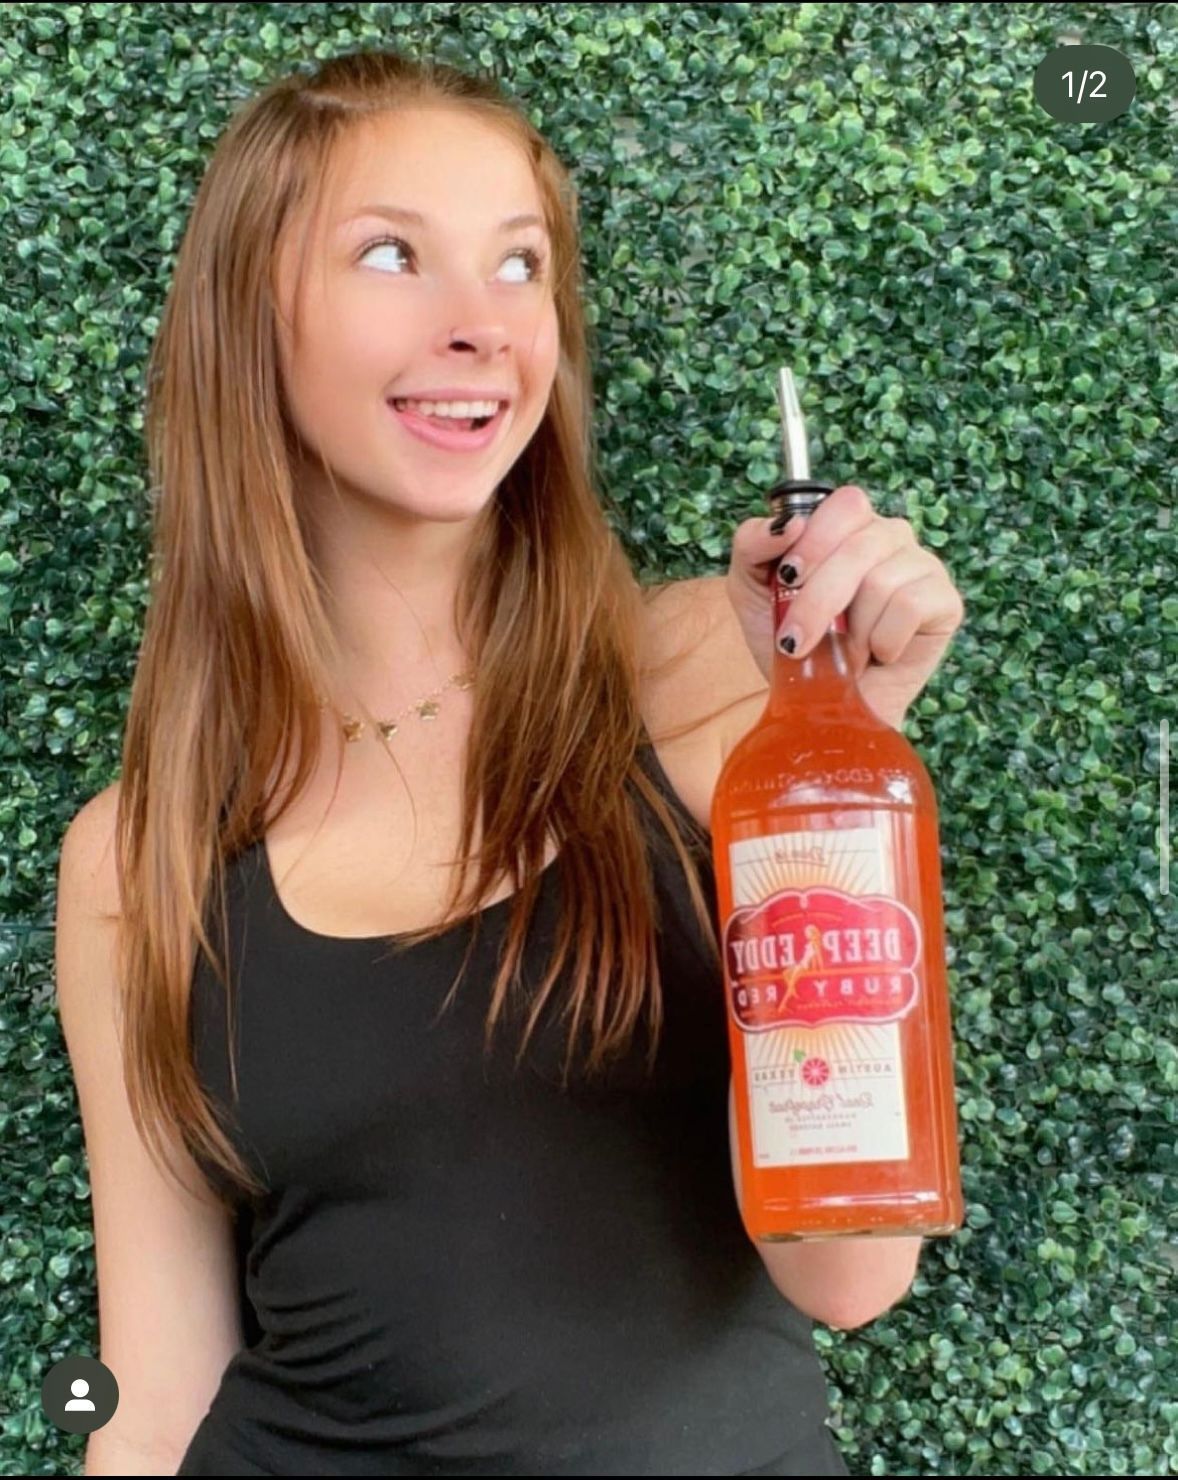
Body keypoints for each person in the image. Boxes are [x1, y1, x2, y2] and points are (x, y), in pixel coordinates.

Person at [55, 45, 965, 1478]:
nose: (480, 325)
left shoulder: (717, 679)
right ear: (252, 318)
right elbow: (154, 1389)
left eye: (518, 266)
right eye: (390, 255)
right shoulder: (139, 849)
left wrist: (841, 766)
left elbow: (845, 1276)